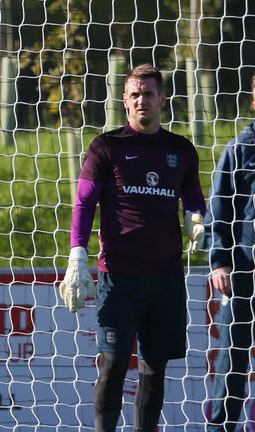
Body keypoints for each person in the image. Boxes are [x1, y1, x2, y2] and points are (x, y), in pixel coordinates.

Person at [58, 64, 206, 431]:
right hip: (119, 278)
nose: (142, 100)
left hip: (166, 280)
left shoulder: (180, 150)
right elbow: (83, 203)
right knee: (112, 366)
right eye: (135, 94)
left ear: (163, 100)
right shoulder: (106, 147)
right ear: (125, 100)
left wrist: (197, 217)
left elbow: (193, 198)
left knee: (154, 373)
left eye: (149, 94)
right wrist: (77, 255)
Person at [206, 73, 255, 432]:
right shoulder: (239, 150)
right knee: (233, 359)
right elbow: (219, 212)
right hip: (244, 272)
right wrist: (220, 261)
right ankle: (223, 427)